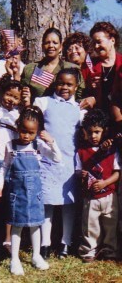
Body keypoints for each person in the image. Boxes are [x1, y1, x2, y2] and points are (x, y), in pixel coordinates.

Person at [0, 106, 62, 275]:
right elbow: (5, 166)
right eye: (23, 131)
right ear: (18, 127)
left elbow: (57, 158)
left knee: (35, 225)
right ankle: (15, 259)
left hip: (35, 193)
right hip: (17, 194)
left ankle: (36, 255)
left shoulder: (38, 145)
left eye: (31, 132)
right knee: (17, 225)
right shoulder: (11, 145)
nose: (26, 135)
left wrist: (52, 142)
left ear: (37, 131)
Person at [33, 68, 86, 259]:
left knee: (68, 203)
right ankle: (45, 243)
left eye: (69, 84)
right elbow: (34, 125)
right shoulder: (44, 102)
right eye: (61, 83)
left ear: (76, 86)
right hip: (47, 160)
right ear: (55, 83)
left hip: (69, 161)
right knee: (47, 201)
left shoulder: (79, 109)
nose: (65, 87)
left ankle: (65, 242)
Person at [76, 109, 120, 262]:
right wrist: (80, 174)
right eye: (90, 132)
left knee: (110, 224)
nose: (94, 136)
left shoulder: (112, 150)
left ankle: (109, 250)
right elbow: (78, 170)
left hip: (109, 195)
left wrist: (105, 182)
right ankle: (89, 250)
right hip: (91, 197)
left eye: (97, 132)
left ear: (104, 131)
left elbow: (117, 173)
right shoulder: (81, 152)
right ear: (84, 132)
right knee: (90, 225)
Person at [0, 78, 24, 252]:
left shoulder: (18, 114)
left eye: (15, 97)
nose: (11, 99)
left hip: (9, 160)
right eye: (8, 94)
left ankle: (8, 238)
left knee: (9, 201)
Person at [21, 28, 86, 103]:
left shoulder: (72, 68)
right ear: (42, 46)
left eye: (55, 43)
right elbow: (22, 94)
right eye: (47, 43)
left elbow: (80, 97)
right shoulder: (30, 69)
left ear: (61, 47)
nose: (51, 45)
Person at [81, 22, 122, 113]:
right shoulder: (88, 65)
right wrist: (89, 90)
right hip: (96, 118)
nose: (96, 46)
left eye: (99, 42)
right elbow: (79, 92)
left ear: (112, 40)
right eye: (94, 43)